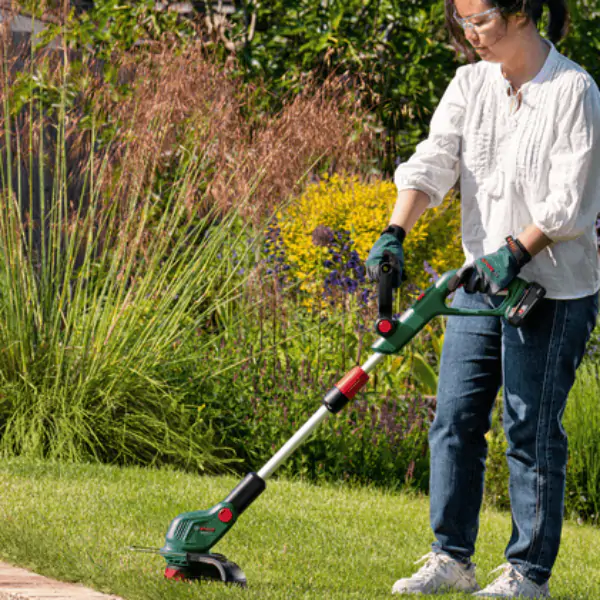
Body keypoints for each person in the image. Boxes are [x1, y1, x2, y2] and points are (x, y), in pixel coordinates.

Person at [366, 0, 600, 597]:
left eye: (480, 20)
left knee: (529, 428)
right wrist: (395, 232)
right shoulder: (470, 85)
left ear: (521, 10)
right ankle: (451, 558)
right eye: (462, 21)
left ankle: (528, 574)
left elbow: (569, 201)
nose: (470, 34)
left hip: (553, 289)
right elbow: (435, 160)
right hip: (480, 282)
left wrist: (515, 252)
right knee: (455, 419)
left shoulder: (573, 90)